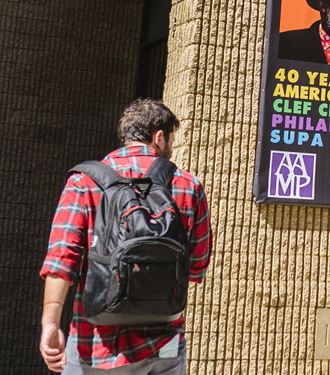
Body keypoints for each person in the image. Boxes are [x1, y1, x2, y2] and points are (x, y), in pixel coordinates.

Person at [40, 99, 212, 374]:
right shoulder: (187, 185)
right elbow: (197, 265)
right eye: (170, 140)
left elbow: (63, 257)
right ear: (159, 138)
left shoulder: (84, 182)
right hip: (163, 343)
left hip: (93, 345)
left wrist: (51, 322)